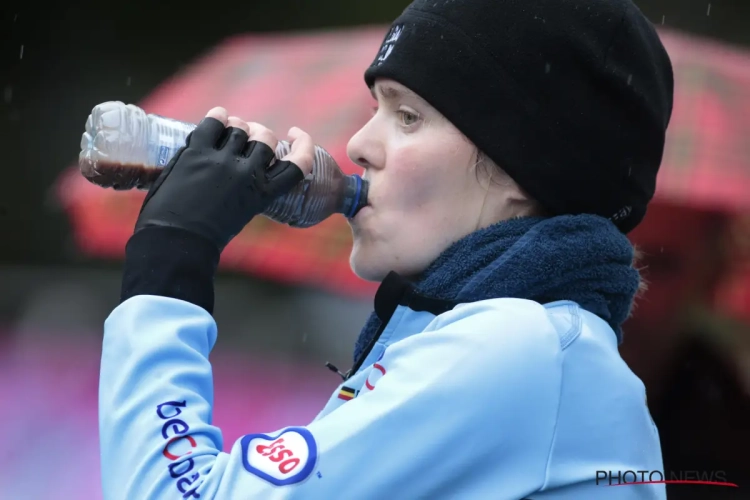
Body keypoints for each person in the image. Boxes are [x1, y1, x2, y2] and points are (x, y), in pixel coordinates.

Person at [98, 0, 674, 498]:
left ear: (526, 170)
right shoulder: (531, 348)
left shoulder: (521, 349)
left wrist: (171, 258)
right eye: (376, 107)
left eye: (407, 116)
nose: (357, 144)